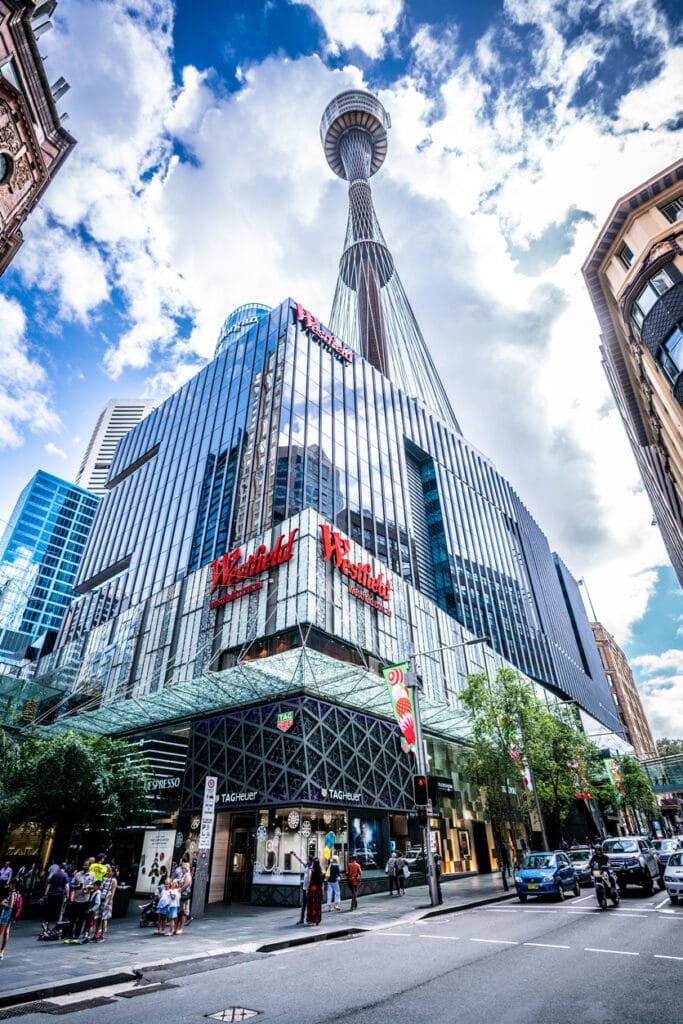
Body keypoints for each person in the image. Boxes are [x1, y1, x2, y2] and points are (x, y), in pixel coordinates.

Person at [67, 860, 95, 942]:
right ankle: (70, 935)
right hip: (76, 899)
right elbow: (71, 885)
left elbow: (94, 886)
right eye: (84, 865)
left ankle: (76, 935)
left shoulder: (92, 875)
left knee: (81, 918)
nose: (85, 867)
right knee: (73, 918)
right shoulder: (78, 874)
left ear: (90, 866)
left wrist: (89, 887)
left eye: (86, 865)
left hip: (85, 900)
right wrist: (77, 886)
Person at [93, 865, 117, 942]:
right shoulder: (105, 878)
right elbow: (102, 887)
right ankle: (96, 934)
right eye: (107, 871)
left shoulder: (114, 880)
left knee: (104, 917)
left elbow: (113, 892)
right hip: (101, 898)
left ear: (113, 872)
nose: (108, 872)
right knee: (99, 917)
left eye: (109, 871)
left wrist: (109, 903)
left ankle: (102, 934)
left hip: (107, 899)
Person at [0, 880, 19, 960]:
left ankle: (1, 951)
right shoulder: (17, 893)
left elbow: (10, 905)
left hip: (7, 913)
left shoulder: (12, 894)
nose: (9, 885)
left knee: (1, 932)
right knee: (7, 932)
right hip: (12, 914)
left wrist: (2, 903)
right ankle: (2, 951)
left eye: (10, 884)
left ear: (13, 885)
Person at [175, 861, 192, 934]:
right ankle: (176, 927)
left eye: (183, 868)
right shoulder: (183, 875)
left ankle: (181, 928)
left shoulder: (187, 875)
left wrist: (180, 890)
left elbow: (186, 884)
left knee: (183, 912)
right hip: (181, 895)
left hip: (184, 895)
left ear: (186, 869)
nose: (182, 869)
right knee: (179, 912)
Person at [295, 854, 313, 925]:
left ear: (311, 861)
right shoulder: (307, 866)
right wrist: (295, 855)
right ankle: (302, 919)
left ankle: (309, 919)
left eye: (308, 859)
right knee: (304, 905)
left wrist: (308, 889)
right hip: (304, 888)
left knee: (309, 905)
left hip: (309, 889)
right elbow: (301, 861)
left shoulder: (312, 868)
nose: (307, 860)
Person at [306, 859, 324, 926]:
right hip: (318, 890)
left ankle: (311, 920)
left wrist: (307, 890)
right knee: (318, 905)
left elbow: (309, 881)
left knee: (311, 905)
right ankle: (316, 920)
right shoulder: (321, 871)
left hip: (312, 890)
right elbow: (322, 882)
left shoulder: (311, 870)